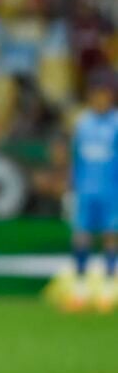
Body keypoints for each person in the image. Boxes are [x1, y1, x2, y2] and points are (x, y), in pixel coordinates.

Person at [62, 71, 118, 312]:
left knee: (110, 235)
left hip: (111, 191)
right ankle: (81, 285)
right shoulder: (83, 123)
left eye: (104, 96)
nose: (100, 100)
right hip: (86, 190)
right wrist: (71, 185)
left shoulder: (116, 123)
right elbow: (76, 158)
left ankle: (108, 284)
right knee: (81, 235)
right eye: (96, 96)